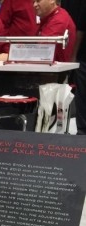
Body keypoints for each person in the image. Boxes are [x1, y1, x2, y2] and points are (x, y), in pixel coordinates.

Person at [74, 2, 86, 134]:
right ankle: (81, 134)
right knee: (82, 98)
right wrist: (74, 56)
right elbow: (80, 30)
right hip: (84, 58)